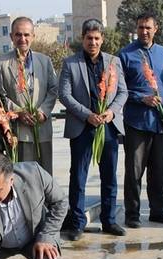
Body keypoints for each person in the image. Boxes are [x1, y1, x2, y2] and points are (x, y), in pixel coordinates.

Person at [59, 19, 128, 240]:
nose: (93, 42)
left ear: (102, 39)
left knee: (109, 176)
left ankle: (109, 220)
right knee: (78, 176)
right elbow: (64, 95)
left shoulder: (114, 62)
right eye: (89, 38)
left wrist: (112, 112)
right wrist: (87, 114)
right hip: (82, 126)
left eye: (97, 38)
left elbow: (123, 92)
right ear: (83, 38)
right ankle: (77, 222)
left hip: (108, 126)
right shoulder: (70, 63)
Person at [118, 12, 163, 229]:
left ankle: (158, 211)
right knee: (134, 171)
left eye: (148, 28)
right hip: (137, 123)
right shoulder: (125, 55)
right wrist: (140, 98)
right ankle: (132, 214)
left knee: (159, 171)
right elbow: (119, 89)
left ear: (156, 29)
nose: (144, 31)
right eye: (140, 27)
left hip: (160, 124)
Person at [0, 17, 58, 174]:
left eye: (26, 34)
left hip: (42, 129)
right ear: (11, 36)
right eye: (18, 34)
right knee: (21, 176)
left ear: (33, 36)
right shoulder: (0, 62)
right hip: (18, 132)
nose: (22, 39)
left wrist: (43, 112)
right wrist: (18, 112)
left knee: (44, 176)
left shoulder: (44, 60)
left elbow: (53, 89)